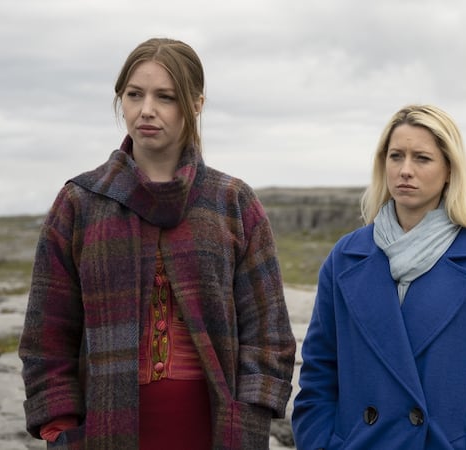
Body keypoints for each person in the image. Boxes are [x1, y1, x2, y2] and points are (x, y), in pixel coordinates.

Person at [18, 38, 296, 449]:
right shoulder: (80, 202)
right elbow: (47, 335)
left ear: (196, 104)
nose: (146, 110)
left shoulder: (232, 202)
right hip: (104, 436)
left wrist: (249, 418)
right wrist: (59, 429)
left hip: (216, 435)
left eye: (165, 97)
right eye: (134, 94)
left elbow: (268, 334)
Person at [291, 104, 466, 449]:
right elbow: (319, 371)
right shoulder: (346, 256)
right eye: (396, 156)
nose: (405, 170)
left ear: (449, 169)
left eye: (422, 159)